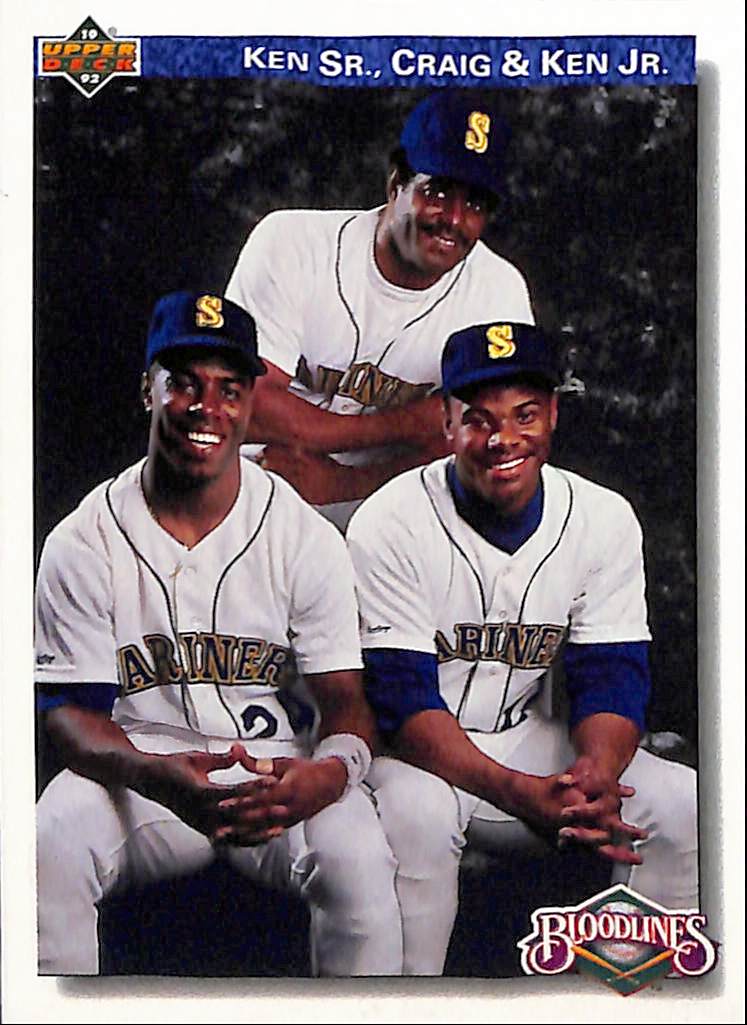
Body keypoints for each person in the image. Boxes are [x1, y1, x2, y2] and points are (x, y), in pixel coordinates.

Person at [35, 290, 403, 976]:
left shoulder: (303, 537)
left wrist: (328, 775)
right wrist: (153, 774)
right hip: (139, 767)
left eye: (229, 389)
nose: (207, 406)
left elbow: (346, 702)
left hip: (276, 769)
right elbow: (69, 717)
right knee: (47, 845)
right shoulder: (84, 540)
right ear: (147, 391)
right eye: (184, 383)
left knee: (358, 859)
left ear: (250, 404)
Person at [345, 320, 698, 975]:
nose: (503, 438)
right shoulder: (390, 522)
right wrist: (519, 792)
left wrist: (595, 771)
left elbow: (612, 675)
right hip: (412, 757)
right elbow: (400, 702)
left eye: (525, 414)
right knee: (419, 816)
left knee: (679, 801)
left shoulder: (601, 518)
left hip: (522, 738)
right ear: (446, 423)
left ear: (553, 414)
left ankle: (643, 997)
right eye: (478, 419)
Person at [225, 91, 534, 529]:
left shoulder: (497, 292)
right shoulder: (291, 243)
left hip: (395, 514)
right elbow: (243, 401)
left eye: (476, 204)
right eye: (438, 191)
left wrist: (342, 483)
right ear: (396, 183)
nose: (454, 218)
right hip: (258, 490)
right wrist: (412, 424)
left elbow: (485, 442)